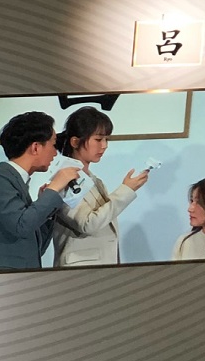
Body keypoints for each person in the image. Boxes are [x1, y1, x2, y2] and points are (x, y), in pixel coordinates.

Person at [52, 107, 149, 267]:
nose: (104, 146)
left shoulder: (95, 181)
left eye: (106, 139)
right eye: (98, 139)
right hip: (79, 271)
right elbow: (88, 224)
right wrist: (126, 191)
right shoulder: (63, 180)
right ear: (75, 142)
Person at [0, 111, 80, 271]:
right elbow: (21, 226)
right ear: (36, 147)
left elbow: (37, 247)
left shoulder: (17, 181)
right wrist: (54, 187)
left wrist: (47, 207)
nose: (55, 152)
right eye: (53, 144)